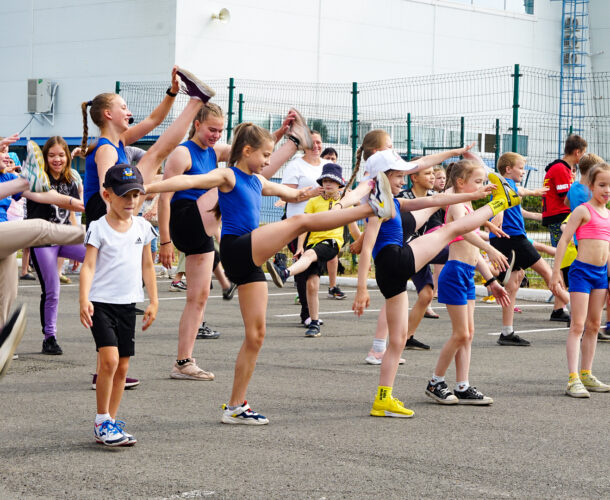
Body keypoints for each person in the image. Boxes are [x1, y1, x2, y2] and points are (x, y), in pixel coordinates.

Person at [145, 122, 393, 424]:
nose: (267, 161)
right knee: (298, 223)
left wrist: (313, 190)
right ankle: (372, 209)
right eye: (264, 155)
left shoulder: (258, 182)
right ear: (246, 151)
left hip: (250, 262)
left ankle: (235, 406)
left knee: (257, 335)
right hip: (238, 248)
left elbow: (293, 195)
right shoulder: (227, 175)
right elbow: (180, 184)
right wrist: (144, 188)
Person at [352, 148, 515, 418]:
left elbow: (438, 199)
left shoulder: (396, 203)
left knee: (398, 341)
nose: (403, 181)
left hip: (392, 274)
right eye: (398, 177)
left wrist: (472, 193)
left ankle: (383, 399)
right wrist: (360, 289)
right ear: (382, 177)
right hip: (395, 260)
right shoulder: (377, 206)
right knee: (451, 229)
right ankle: (501, 202)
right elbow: (368, 247)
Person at [158, 104, 310, 380]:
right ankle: (294, 146)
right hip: (185, 220)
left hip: (206, 225)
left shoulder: (217, 151)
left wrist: (276, 133)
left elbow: (249, 151)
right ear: (197, 125)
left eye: (220, 131)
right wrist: (165, 242)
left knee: (199, 297)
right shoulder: (183, 153)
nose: (216, 135)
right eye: (211, 130)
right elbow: (166, 196)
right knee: (234, 178)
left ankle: (183, 362)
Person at [80, 164, 158, 446]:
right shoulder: (98, 228)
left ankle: (110, 423)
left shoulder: (143, 227)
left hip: (128, 304)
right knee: (109, 361)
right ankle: (102, 420)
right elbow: (88, 266)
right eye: (125, 195)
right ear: (107, 195)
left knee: (123, 368)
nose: (132, 201)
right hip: (100, 304)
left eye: (136, 195)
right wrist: (83, 298)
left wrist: (154, 300)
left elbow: (147, 265)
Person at [425, 160, 511, 405]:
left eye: (483, 181)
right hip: (453, 274)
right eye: (477, 181)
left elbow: (474, 255)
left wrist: (491, 280)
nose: (482, 186)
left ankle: (462, 385)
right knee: (461, 333)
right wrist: (490, 248)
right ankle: (435, 382)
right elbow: (464, 233)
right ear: (460, 182)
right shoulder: (454, 203)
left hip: (467, 274)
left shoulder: (468, 204)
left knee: (468, 334)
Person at [486, 152, 570, 346]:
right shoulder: (502, 186)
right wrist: (495, 223)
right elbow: (498, 208)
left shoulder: (512, 187)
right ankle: (578, 314)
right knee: (549, 273)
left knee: (514, 284)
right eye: (521, 168)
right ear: (508, 169)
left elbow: (520, 200)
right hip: (514, 239)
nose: (524, 171)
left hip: (515, 238)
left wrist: (537, 201)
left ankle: (507, 332)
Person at [271, 163, 359, 337]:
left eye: (332, 181)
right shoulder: (313, 202)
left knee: (311, 255)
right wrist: (301, 246)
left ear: (340, 184)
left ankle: (285, 272)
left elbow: (355, 230)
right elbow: (305, 226)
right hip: (313, 244)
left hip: (332, 243)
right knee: (312, 284)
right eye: (325, 180)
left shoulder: (344, 203)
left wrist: (365, 246)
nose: (328, 184)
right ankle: (314, 322)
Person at [550, 162, 610, 398]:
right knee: (578, 325)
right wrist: (555, 272)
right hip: (582, 272)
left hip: (600, 275)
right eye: (602, 185)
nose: (607, 190)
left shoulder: (608, 214)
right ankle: (572, 378)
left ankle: (586, 373)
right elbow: (564, 241)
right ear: (591, 186)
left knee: (594, 326)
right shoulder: (583, 210)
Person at [27, 137, 86, 355]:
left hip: (63, 238)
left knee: (95, 256)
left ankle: (103, 310)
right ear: (45, 157)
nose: (57, 159)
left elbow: (70, 214)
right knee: (52, 290)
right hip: (42, 241)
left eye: (61, 155)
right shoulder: (37, 180)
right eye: (52, 155)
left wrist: (74, 237)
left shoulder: (70, 179)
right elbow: (64, 203)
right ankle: (49, 337)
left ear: (67, 157)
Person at [542, 134, 587, 247]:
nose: (584, 155)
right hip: (558, 217)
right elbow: (566, 196)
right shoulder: (560, 169)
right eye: (583, 153)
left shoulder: (564, 169)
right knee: (564, 252)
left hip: (559, 216)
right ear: (577, 152)